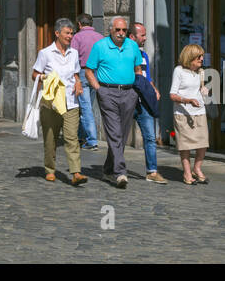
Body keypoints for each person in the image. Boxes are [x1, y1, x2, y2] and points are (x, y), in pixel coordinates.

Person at [84, 15, 144, 188]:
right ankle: (120, 172)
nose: (121, 33)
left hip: (128, 92)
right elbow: (89, 70)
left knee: (122, 135)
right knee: (114, 132)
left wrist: (139, 88)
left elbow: (137, 68)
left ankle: (108, 169)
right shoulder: (100, 46)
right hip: (107, 92)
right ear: (110, 30)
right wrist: (99, 89)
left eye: (124, 30)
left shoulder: (132, 46)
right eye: (117, 30)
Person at [32, 17, 86, 185]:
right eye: (67, 33)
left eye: (72, 33)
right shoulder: (45, 53)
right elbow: (34, 74)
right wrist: (43, 76)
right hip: (51, 104)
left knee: (72, 138)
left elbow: (76, 74)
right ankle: (50, 169)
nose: (70, 36)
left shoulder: (74, 53)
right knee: (50, 138)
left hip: (71, 102)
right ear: (57, 33)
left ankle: (76, 173)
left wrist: (78, 83)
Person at [129, 22, 165, 184]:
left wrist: (154, 89)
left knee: (150, 137)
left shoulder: (143, 56)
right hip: (127, 100)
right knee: (118, 137)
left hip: (144, 102)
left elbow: (147, 78)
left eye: (144, 35)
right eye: (142, 35)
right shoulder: (124, 54)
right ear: (132, 37)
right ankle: (112, 169)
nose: (145, 38)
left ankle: (152, 171)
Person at [169, 44, 211, 185]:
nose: (201, 59)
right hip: (182, 113)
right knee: (185, 145)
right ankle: (187, 173)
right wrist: (187, 101)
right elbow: (172, 95)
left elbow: (199, 88)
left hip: (199, 111)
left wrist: (203, 90)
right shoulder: (179, 71)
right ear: (190, 57)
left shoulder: (200, 72)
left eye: (202, 56)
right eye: (199, 56)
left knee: (203, 142)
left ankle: (197, 168)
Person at [69, 13, 104, 151]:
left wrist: (74, 76)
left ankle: (92, 141)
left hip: (83, 72)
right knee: (89, 106)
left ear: (79, 24)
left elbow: (72, 58)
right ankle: (81, 136)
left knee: (85, 107)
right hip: (97, 73)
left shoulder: (77, 37)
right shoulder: (100, 38)